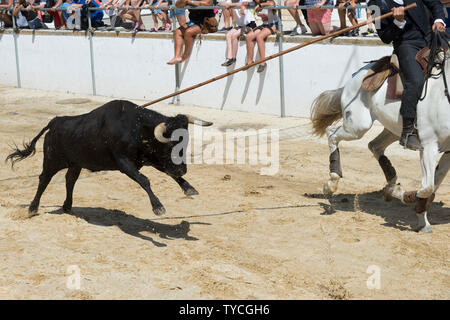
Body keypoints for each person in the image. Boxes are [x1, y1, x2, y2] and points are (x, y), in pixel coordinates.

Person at [367, 0, 446, 150]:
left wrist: (438, 19)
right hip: (406, 44)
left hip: (432, 36)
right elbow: (384, 37)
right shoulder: (374, 4)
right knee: (415, 81)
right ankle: (408, 132)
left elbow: (435, 4)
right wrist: (398, 22)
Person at [166, 0, 216, 65]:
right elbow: (178, 5)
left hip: (206, 23)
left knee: (188, 32)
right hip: (194, 21)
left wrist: (190, 2)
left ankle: (184, 57)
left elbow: (208, 3)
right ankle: (177, 56)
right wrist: (183, 1)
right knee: (177, 32)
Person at [245, 0, 278, 73]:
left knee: (259, 37)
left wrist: (261, 5)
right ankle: (250, 61)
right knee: (248, 36)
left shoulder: (268, 1)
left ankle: (263, 62)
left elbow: (272, 4)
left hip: (273, 25)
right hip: (264, 25)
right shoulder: (254, 3)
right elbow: (243, 3)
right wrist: (242, 6)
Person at [221, 0, 256, 66]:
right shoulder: (231, 1)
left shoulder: (243, 1)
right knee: (228, 35)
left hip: (249, 25)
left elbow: (244, 6)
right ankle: (229, 57)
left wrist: (232, 5)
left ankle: (234, 57)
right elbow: (221, 3)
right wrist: (228, 4)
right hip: (240, 26)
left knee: (234, 35)